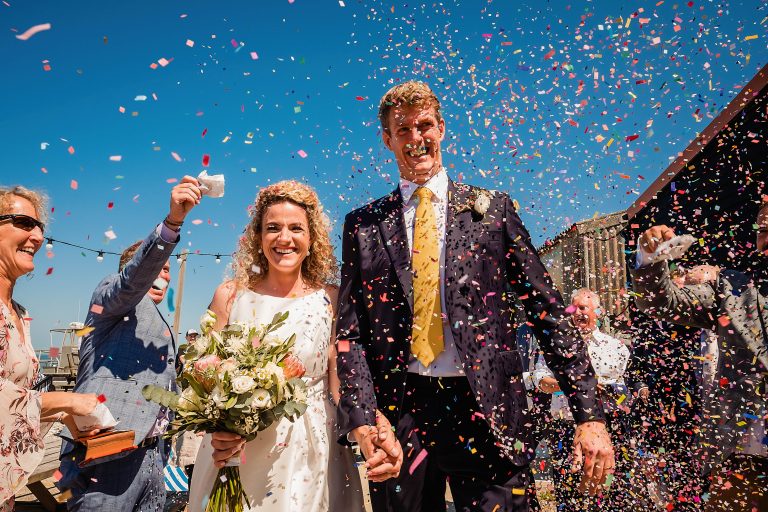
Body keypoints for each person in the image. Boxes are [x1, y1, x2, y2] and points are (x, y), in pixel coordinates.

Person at [336, 81, 614, 511]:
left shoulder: (492, 209)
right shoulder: (363, 224)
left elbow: (548, 312)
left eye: (424, 125)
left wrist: (589, 415)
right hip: (402, 411)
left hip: (487, 406)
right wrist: (365, 417)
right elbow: (350, 334)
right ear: (387, 139)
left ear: (441, 129)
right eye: (402, 129)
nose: (415, 138)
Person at [187, 181, 364, 511]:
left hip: (312, 446)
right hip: (237, 449)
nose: (285, 238)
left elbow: (339, 382)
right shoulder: (230, 295)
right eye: (273, 228)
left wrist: (364, 429)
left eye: (296, 228)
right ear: (258, 237)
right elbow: (202, 374)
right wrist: (218, 426)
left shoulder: (331, 299)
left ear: (311, 239)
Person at [57, 176, 204, 511]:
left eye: (167, 271)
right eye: (156, 268)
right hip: (107, 453)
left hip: (153, 454)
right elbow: (132, 281)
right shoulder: (111, 296)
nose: (162, 275)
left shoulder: (163, 324)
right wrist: (171, 225)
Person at [631, 216, 768, 512]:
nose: (766, 239)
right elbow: (659, 303)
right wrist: (652, 258)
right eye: (764, 230)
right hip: (743, 455)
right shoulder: (734, 288)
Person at [0, 186, 100, 510]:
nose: (37, 236)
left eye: (39, 227)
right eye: (23, 223)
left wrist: (69, 417)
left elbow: (26, 393)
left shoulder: (20, 312)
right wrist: (68, 399)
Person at [534, 288, 632, 511]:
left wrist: (609, 390)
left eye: (583, 308)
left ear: (597, 311)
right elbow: (541, 381)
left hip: (606, 426)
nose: (578, 313)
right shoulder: (554, 345)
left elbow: (623, 386)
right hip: (565, 426)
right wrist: (576, 384)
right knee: (569, 488)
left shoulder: (614, 346)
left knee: (607, 487)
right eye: (573, 308)